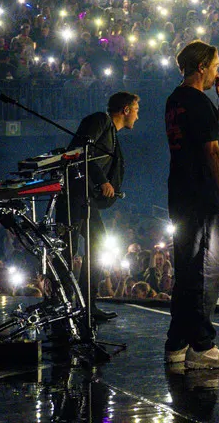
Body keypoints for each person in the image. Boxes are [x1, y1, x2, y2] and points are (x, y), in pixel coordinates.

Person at [163, 41, 219, 370]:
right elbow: (214, 153)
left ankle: (177, 343)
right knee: (205, 273)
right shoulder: (196, 101)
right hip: (201, 195)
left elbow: (213, 139)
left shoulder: (176, 100)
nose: (217, 72)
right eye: (215, 65)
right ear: (201, 68)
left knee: (186, 270)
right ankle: (202, 345)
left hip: (180, 193)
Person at [60, 90, 139, 323]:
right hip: (74, 196)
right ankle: (63, 305)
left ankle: (87, 304)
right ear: (125, 110)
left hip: (86, 198)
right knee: (68, 250)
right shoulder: (100, 120)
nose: (137, 116)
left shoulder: (112, 133)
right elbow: (82, 151)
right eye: (136, 110)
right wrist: (102, 180)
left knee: (97, 245)